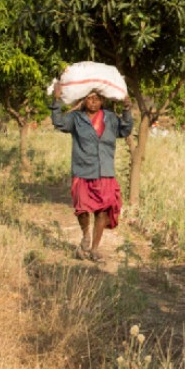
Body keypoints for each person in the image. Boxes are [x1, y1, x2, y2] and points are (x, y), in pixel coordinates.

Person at [50, 84, 133, 262]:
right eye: (89, 98)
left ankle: (95, 249)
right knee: (82, 208)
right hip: (82, 170)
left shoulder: (110, 118)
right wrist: (56, 100)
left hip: (105, 171)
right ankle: (85, 235)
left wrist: (127, 109)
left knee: (102, 211)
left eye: (96, 98)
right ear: (83, 100)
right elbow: (59, 123)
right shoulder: (76, 118)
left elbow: (125, 130)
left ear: (102, 100)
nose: (93, 101)